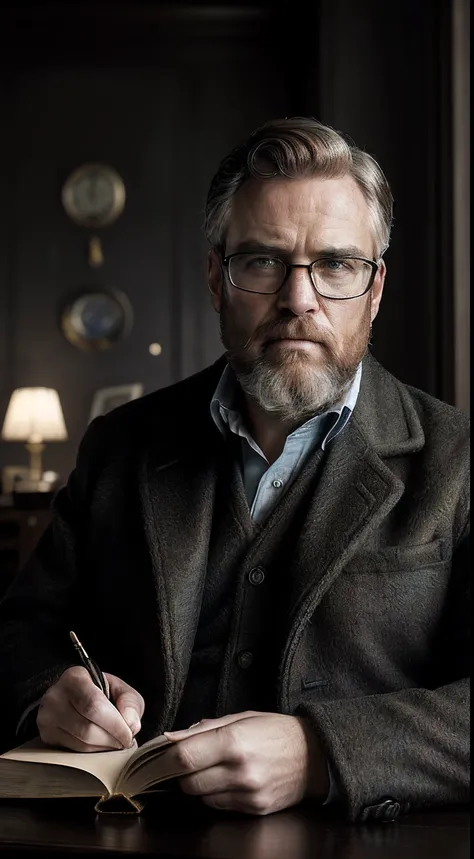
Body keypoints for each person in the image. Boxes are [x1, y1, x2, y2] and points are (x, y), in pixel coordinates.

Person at [0, 117, 469, 824]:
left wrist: (320, 752)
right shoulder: (120, 446)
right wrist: (49, 690)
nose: (299, 299)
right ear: (216, 279)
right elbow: (19, 632)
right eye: (263, 261)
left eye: (337, 265)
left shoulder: (459, 457)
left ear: (375, 289)